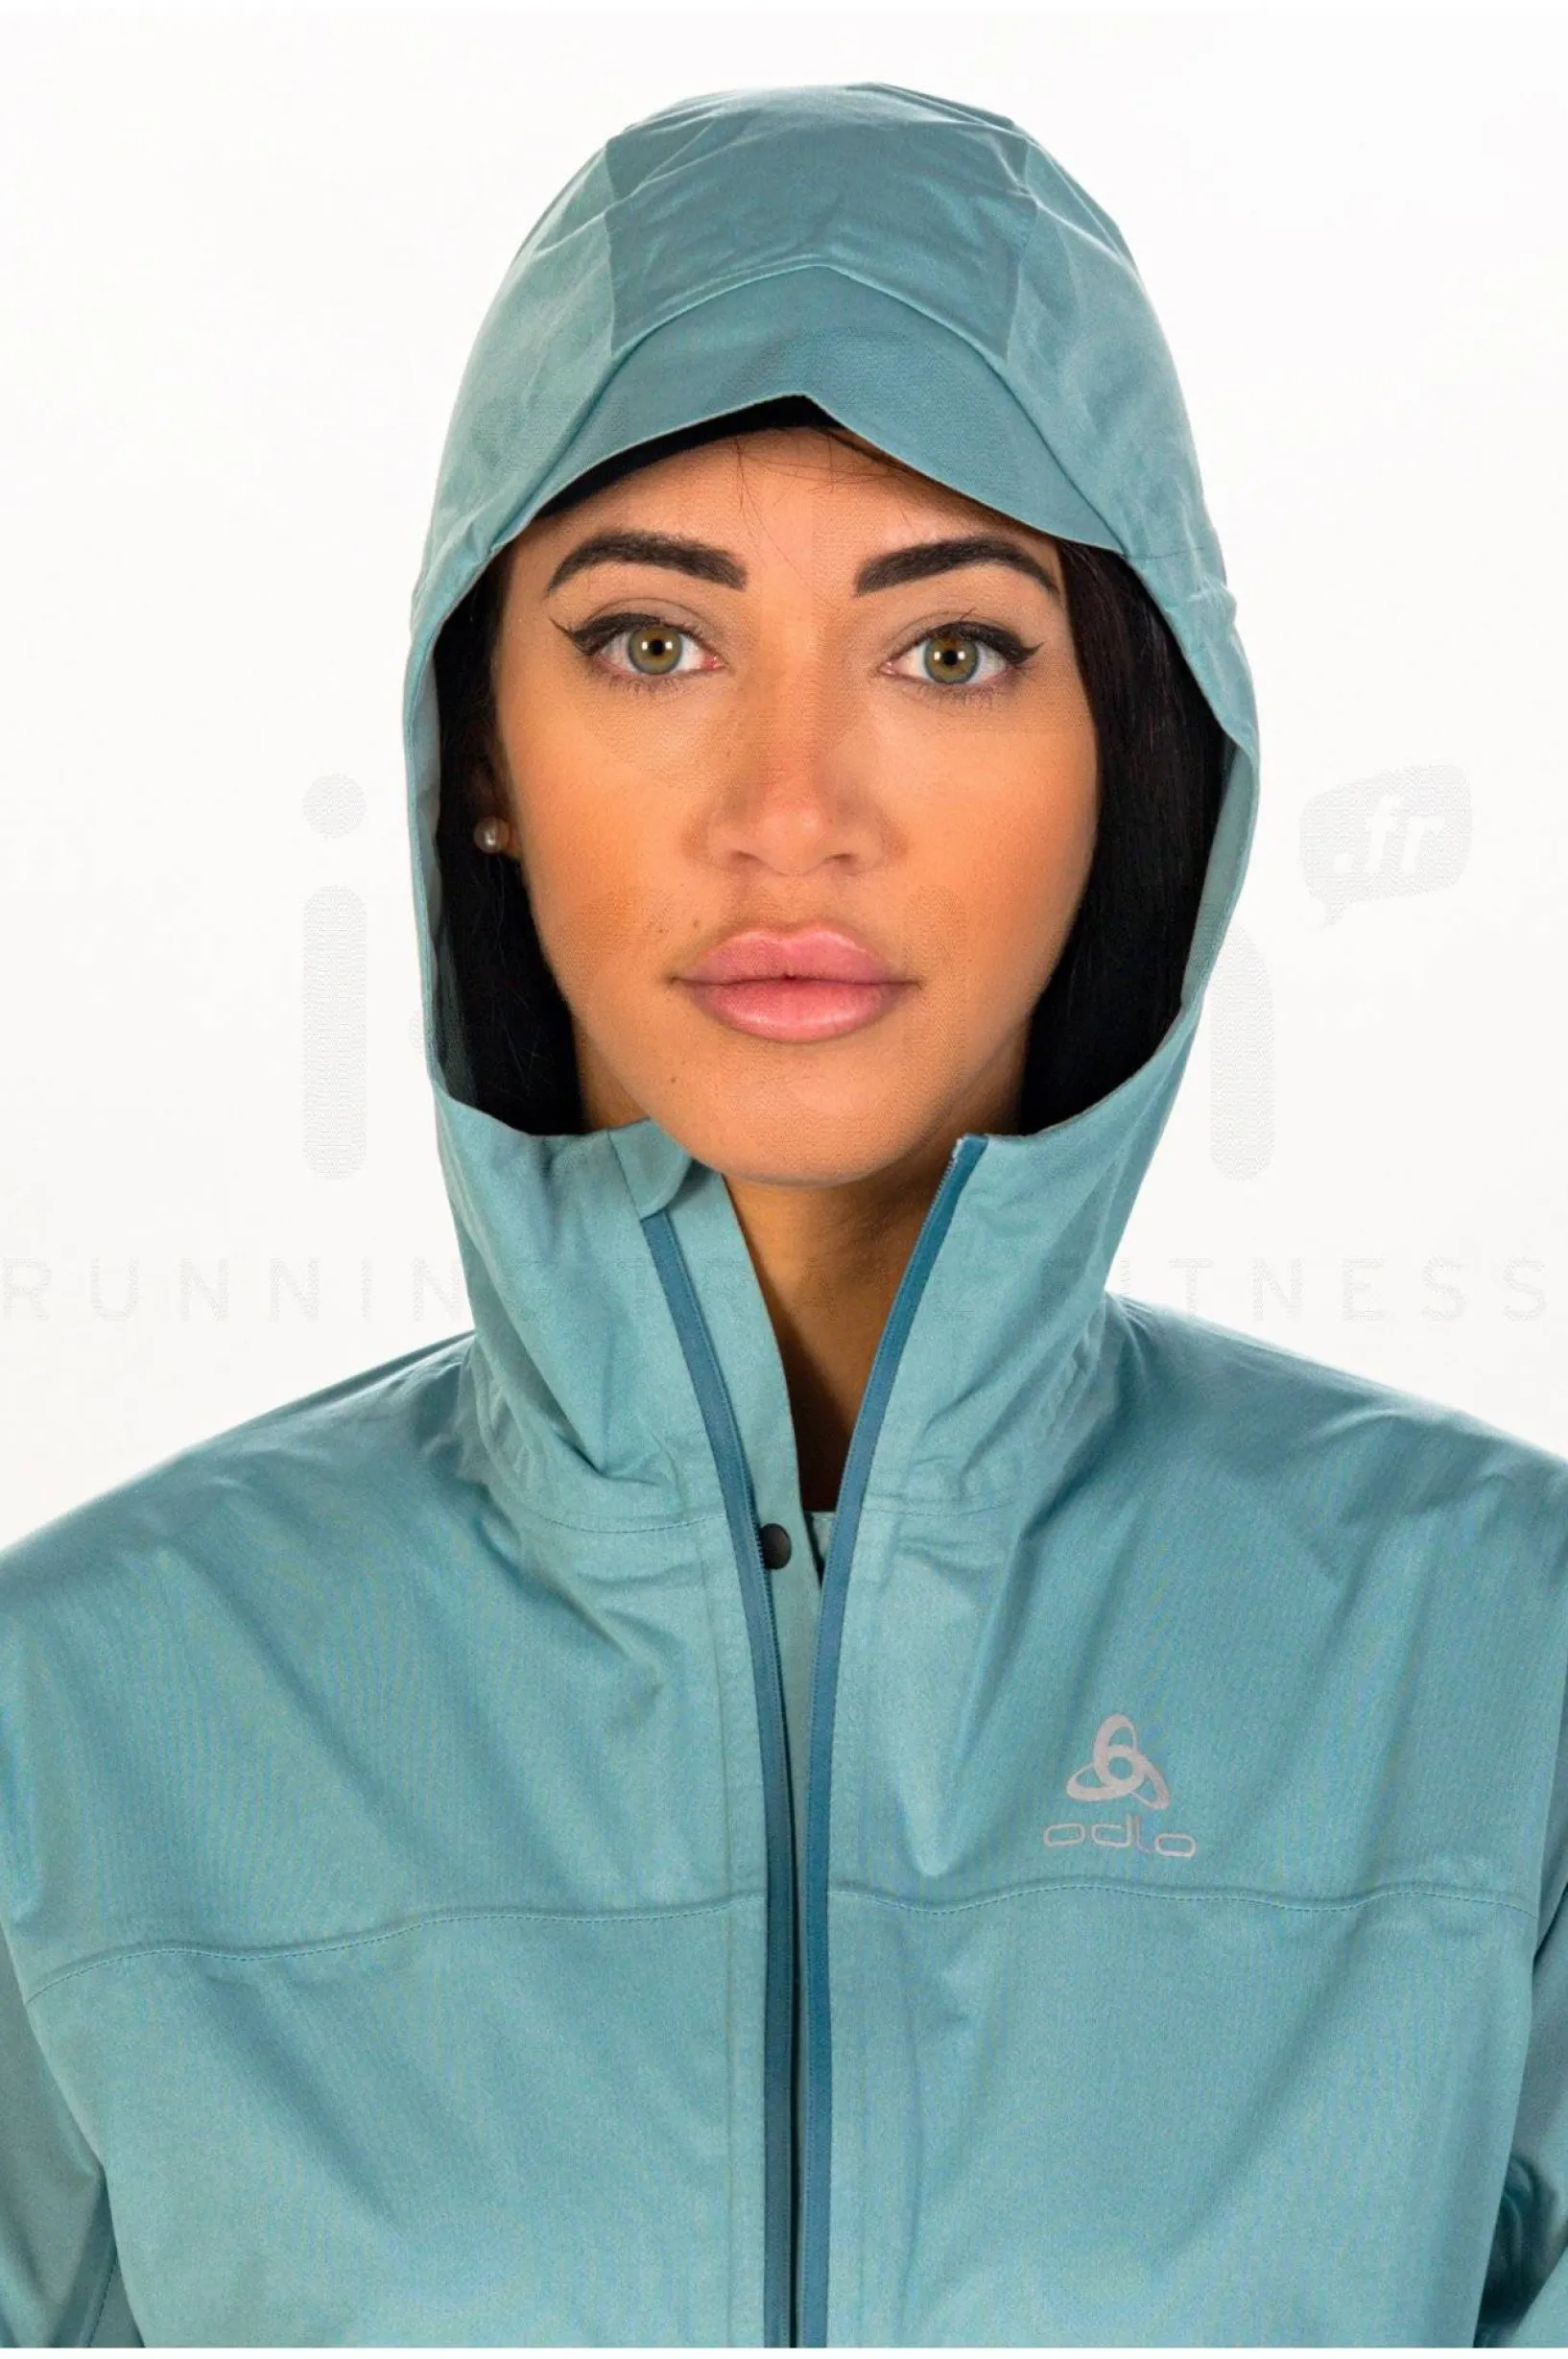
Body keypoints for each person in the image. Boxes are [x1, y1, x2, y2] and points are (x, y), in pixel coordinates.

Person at [1, 78, 1566, 2350]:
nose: (793, 809)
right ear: (479, 760)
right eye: (654, 640)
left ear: (1130, 753)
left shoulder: (1502, 1664)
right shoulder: (76, 1716)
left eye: (951, 650)